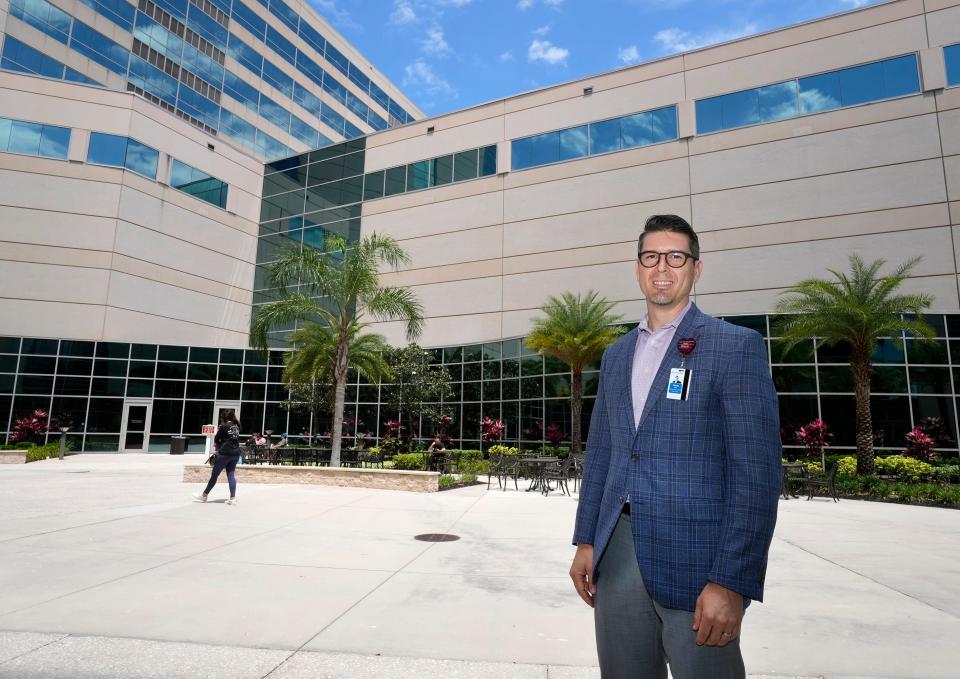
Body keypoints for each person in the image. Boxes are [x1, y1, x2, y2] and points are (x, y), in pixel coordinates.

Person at [569, 215, 781, 679]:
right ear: (638, 267)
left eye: (675, 256)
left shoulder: (735, 347)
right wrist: (587, 539)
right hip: (618, 551)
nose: (661, 266)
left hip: (700, 560)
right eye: (651, 257)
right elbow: (603, 453)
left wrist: (731, 580)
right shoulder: (616, 354)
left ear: (696, 269)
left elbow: (757, 476)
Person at [193, 409, 242, 506]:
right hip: (236, 453)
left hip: (225, 453)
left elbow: (216, 438)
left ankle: (204, 495)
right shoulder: (236, 426)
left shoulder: (224, 426)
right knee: (231, 475)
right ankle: (232, 498)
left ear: (223, 417)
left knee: (214, 475)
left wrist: (220, 445)